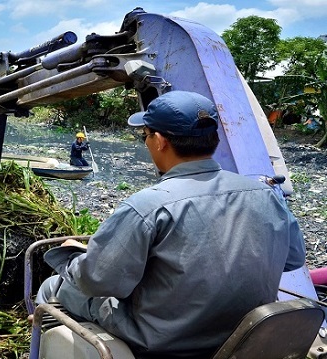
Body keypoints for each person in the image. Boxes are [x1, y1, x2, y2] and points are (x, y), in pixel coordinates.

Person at [36, 91, 306, 358]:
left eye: (146, 135)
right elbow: (293, 259)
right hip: (243, 334)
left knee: (54, 287)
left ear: (160, 141)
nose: (147, 142)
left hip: (162, 341)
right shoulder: (266, 195)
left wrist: (72, 256)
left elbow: (96, 281)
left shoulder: (147, 206)